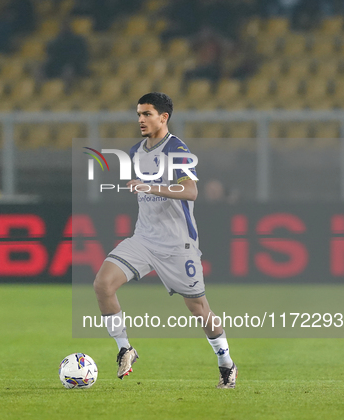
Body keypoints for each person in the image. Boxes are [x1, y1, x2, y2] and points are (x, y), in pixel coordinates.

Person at [93, 92, 238, 388]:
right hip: (144, 239)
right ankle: (125, 348)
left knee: (199, 310)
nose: (140, 120)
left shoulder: (178, 150)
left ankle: (226, 362)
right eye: (138, 114)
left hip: (177, 245)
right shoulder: (136, 151)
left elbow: (191, 192)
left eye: (147, 114)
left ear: (164, 117)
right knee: (102, 284)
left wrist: (149, 185)